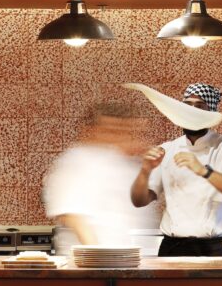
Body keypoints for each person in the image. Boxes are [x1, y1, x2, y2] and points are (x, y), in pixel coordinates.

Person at [131, 83, 222, 257]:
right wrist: (144, 171)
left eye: (199, 106)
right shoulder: (167, 149)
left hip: (217, 248)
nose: (192, 111)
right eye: (187, 106)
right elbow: (139, 201)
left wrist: (204, 171)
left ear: (209, 113)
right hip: (173, 247)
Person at [44, 102, 148, 254]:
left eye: (124, 130)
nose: (118, 137)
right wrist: (99, 258)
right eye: (110, 131)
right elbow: (73, 216)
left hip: (125, 263)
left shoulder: (125, 162)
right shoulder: (76, 160)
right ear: (91, 130)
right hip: (90, 265)